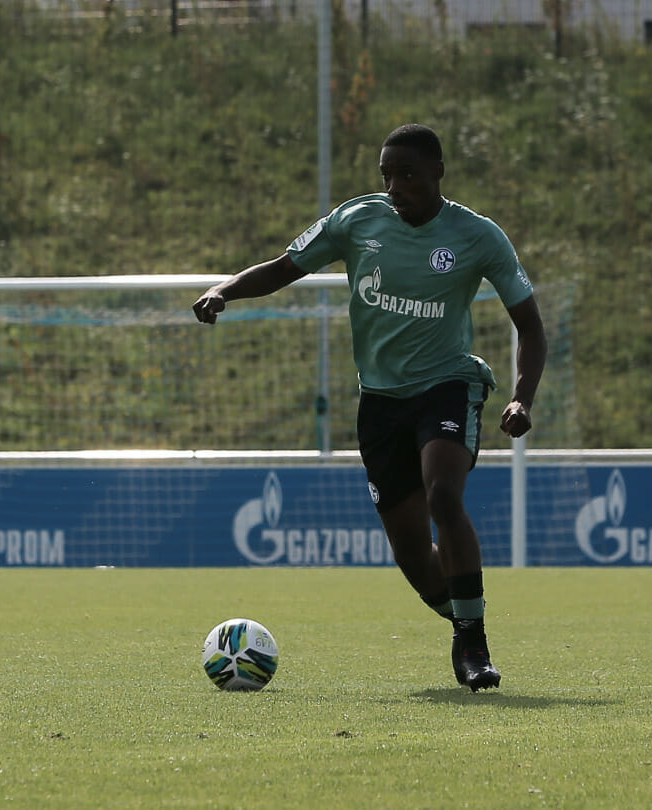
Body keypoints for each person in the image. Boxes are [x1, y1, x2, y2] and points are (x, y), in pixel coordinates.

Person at [192, 123, 547, 691]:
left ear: (437, 173)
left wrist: (521, 398)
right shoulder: (357, 221)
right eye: (387, 174)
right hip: (380, 402)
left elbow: (530, 327)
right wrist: (224, 290)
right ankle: (462, 623)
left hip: (447, 384)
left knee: (444, 493)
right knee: (410, 552)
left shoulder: (478, 236)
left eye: (407, 174)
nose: (395, 186)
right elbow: (285, 266)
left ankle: (475, 645)